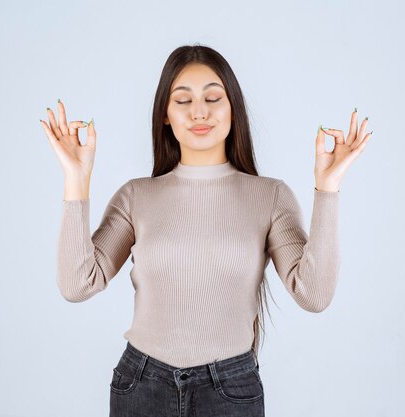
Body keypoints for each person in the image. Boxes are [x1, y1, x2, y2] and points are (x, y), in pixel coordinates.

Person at [39, 44, 371, 417]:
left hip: (230, 390)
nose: (199, 111)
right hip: (141, 387)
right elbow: (76, 283)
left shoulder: (270, 196)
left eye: (213, 97)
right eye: (182, 101)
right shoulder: (136, 196)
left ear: (233, 109)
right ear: (165, 115)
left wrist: (327, 188)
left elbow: (314, 294)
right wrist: (76, 179)